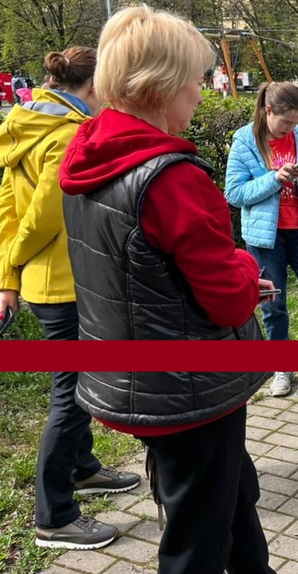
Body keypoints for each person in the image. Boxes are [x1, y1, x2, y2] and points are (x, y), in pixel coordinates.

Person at [59, 5, 276, 573]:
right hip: (187, 388)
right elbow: (227, 297)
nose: (202, 96)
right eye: (195, 83)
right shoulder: (172, 179)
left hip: (131, 374)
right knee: (196, 538)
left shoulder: (90, 156)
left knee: (231, 496)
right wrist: (249, 274)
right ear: (158, 89)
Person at [0, 46, 142, 551]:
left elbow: (7, 209)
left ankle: (83, 469)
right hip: (64, 285)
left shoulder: (24, 122)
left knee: (77, 387)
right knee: (72, 393)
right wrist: (16, 262)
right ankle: (54, 516)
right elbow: (44, 217)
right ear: (94, 87)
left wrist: (9, 276)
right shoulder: (67, 135)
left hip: (43, 283)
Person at [225, 81, 298, 399]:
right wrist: (274, 179)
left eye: (296, 122)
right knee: (274, 308)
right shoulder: (244, 141)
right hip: (266, 239)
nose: (291, 129)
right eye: (286, 122)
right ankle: (281, 369)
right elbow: (235, 193)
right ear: (268, 111)